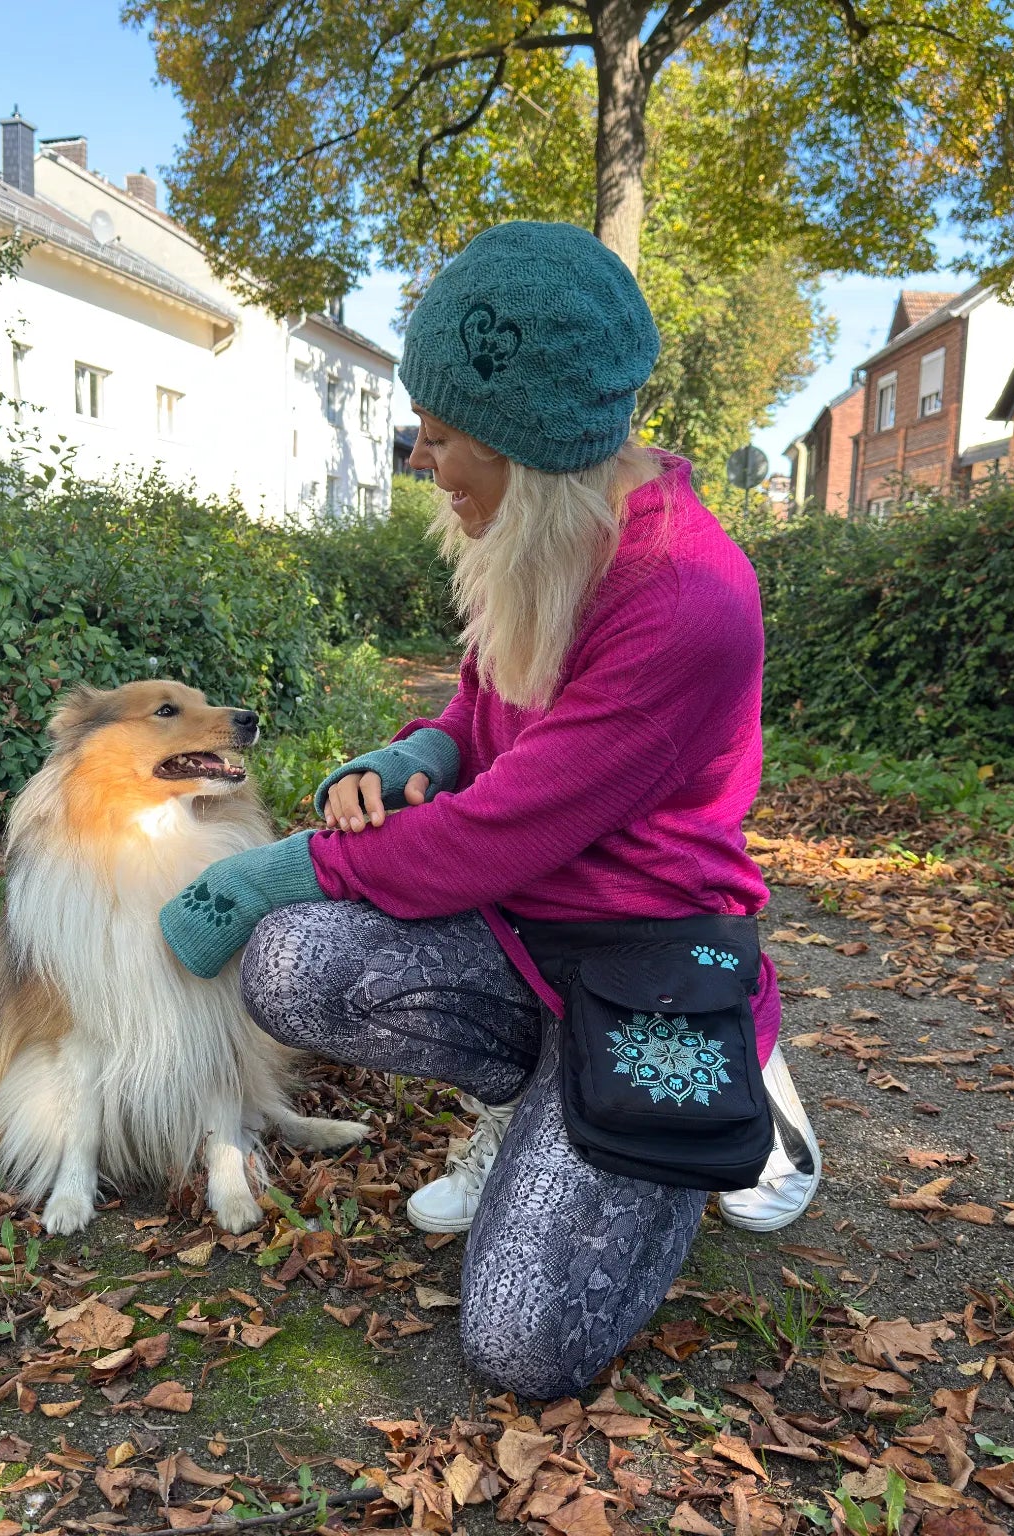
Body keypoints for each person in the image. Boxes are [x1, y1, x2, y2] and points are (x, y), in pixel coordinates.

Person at [157, 220, 820, 1400]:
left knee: (521, 1350)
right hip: (524, 933)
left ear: (531, 446)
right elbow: (479, 719)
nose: (422, 457)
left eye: (445, 433)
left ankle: (730, 1080)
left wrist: (272, 868)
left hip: (645, 958)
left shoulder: (682, 601)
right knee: (292, 973)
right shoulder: (545, 534)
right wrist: (418, 750)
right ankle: (541, 1109)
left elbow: (490, 835)